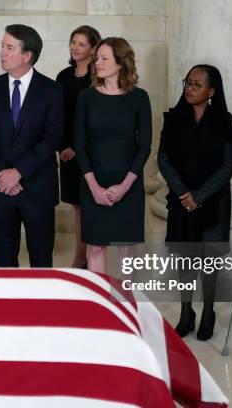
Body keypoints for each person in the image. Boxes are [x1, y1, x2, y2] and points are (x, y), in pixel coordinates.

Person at [158, 64, 232, 341]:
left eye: (197, 85)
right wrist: (184, 194)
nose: (189, 89)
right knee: (185, 259)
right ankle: (185, 312)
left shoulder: (225, 121)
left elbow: (229, 164)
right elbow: (163, 159)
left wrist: (200, 196)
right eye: (188, 83)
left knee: (210, 261)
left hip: (213, 202)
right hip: (182, 202)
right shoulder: (173, 118)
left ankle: (207, 312)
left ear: (211, 91)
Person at [0, 24, 64, 267]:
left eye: (9, 47)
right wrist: (2, 175)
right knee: (3, 260)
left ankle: (42, 305)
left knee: (41, 258)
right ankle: (5, 305)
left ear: (27, 55)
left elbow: (51, 139)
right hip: (1, 188)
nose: (2, 52)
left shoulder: (52, 91)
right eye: (2, 46)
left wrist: (19, 172)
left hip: (38, 188)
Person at [74, 37, 152, 274]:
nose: (97, 62)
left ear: (121, 62)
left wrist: (125, 186)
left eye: (104, 58)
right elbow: (80, 144)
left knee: (126, 249)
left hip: (128, 183)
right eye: (97, 58)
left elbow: (145, 146)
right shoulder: (86, 97)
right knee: (95, 248)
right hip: (93, 182)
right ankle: (101, 308)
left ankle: (127, 306)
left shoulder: (139, 97)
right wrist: (95, 188)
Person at [56, 25, 102, 269]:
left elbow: (94, 119)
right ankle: (81, 255)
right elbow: (58, 115)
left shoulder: (98, 77)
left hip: (88, 151)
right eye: (73, 42)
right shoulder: (63, 76)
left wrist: (75, 146)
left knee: (88, 204)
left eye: (82, 43)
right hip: (66, 153)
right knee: (76, 206)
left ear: (94, 49)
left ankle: (84, 257)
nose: (75, 47)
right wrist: (63, 145)